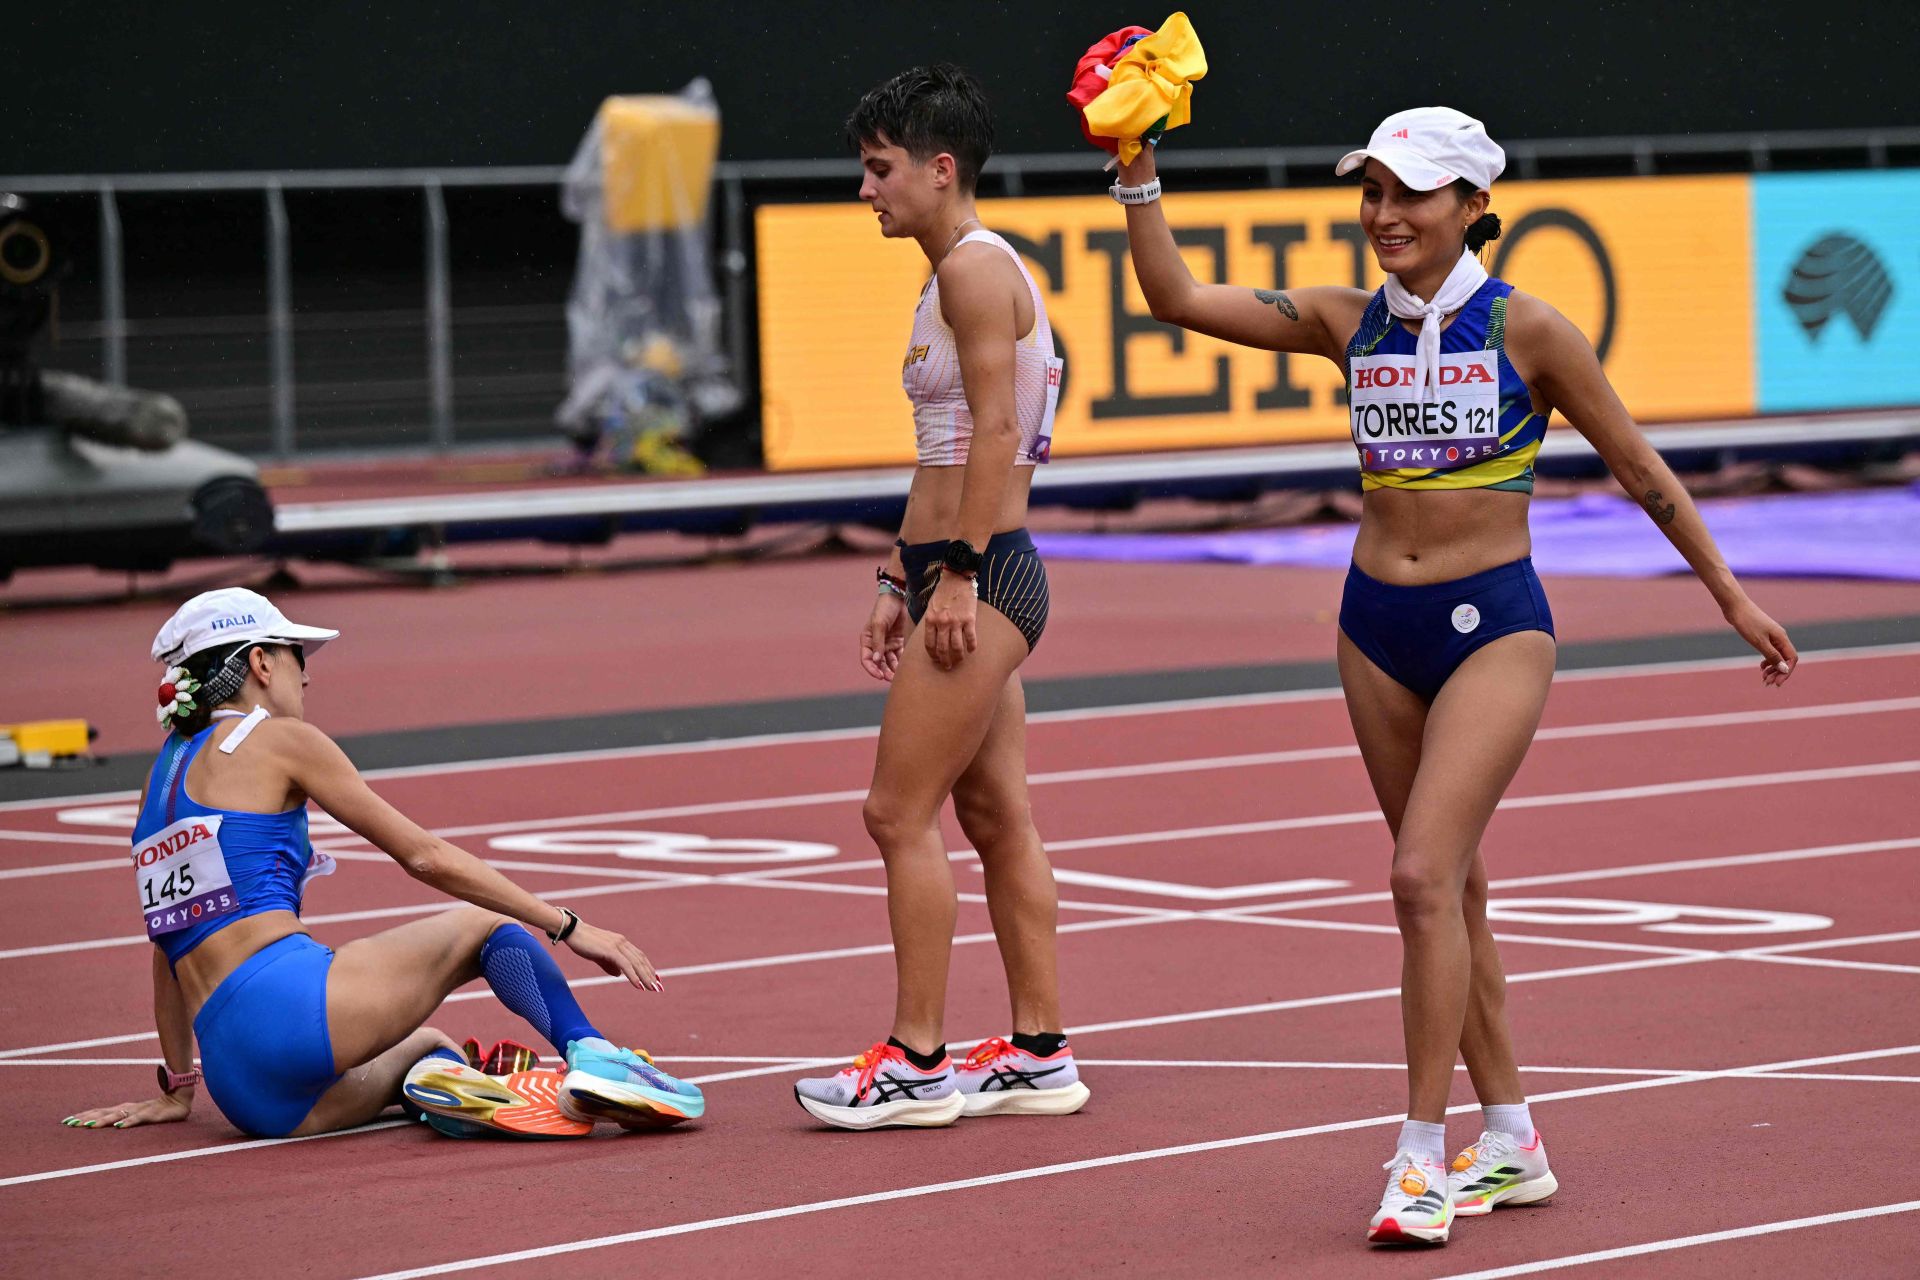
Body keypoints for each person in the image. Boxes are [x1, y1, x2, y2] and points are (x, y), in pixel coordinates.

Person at [1111, 107, 1797, 1242]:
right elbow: (1176, 299)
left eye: (1411, 193)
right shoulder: (1343, 320)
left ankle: (1420, 1158)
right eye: (1372, 191)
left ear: (1473, 204)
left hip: (1495, 626)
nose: (1385, 214)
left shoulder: (1531, 329)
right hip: (1374, 625)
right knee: (1453, 892)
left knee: (1420, 876)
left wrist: (1727, 588)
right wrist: (1138, 170)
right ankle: (1513, 1133)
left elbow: (1639, 465)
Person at [61, 587, 705, 1140]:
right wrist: (567, 925)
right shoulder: (279, 740)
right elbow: (423, 856)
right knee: (482, 926)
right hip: (291, 1012)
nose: (306, 676)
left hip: (247, 1091)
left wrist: (177, 1088)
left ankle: (443, 1082)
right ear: (259, 662)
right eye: (296, 657)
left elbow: (164, 945)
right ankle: (593, 1056)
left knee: (426, 1044)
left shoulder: (159, 780)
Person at [791, 64, 1089, 1130]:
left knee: (894, 810)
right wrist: (895, 576)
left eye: (879, 171)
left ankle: (918, 1059)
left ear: (939, 167)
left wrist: (954, 575)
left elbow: (1000, 439)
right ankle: (1039, 1050)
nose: (867, 190)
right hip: (957, 565)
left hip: (988, 567)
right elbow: (942, 452)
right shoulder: (950, 273)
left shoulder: (971, 271)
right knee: (997, 812)